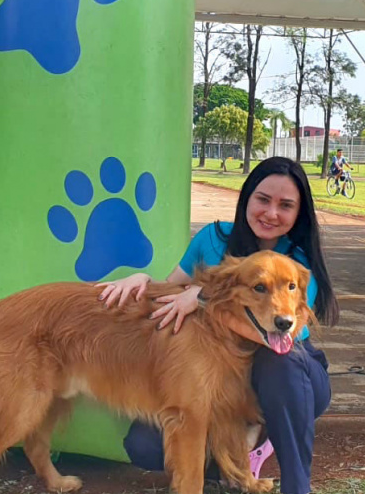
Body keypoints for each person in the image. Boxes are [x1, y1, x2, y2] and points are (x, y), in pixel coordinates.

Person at [97, 156, 339, 494]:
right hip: (220, 375)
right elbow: (172, 289)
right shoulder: (212, 238)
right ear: (247, 198)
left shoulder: (297, 260)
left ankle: (294, 482)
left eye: (285, 205)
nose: (271, 213)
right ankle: (234, 460)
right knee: (144, 445)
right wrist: (144, 281)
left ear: (299, 213)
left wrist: (203, 300)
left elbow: (284, 334)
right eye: (263, 199)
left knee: (279, 363)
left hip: (288, 378)